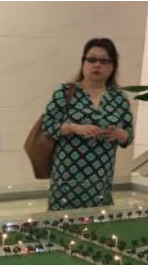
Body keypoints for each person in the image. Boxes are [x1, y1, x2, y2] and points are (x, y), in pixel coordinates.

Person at [41, 38, 133, 211]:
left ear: (112, 66)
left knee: (99, 221)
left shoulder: (119, 98)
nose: (97, 65)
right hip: (66, 178)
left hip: (101, 178)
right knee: (62, 221)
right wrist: (73, 128)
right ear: (83, 63)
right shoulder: (65, 92)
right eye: (91, 59)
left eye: (104, 61)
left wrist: (119, 134)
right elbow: (47, 125)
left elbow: (129, 134)